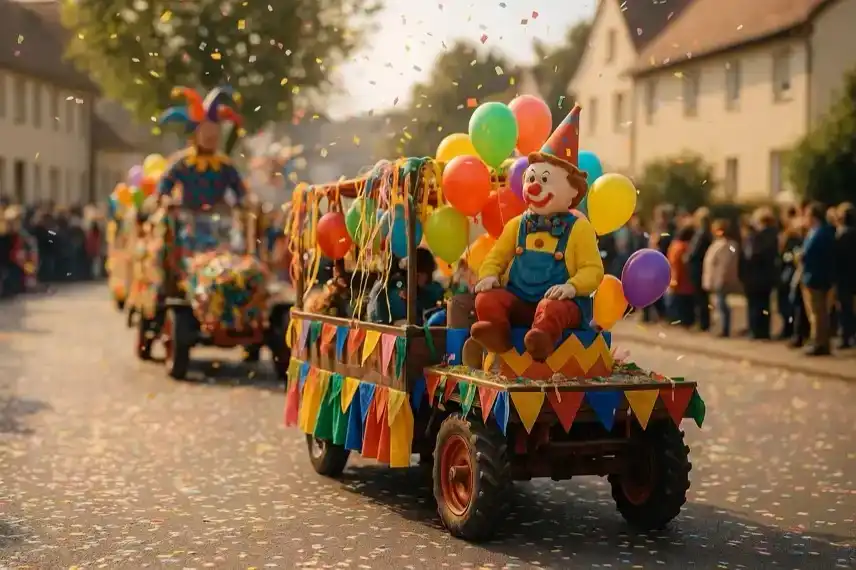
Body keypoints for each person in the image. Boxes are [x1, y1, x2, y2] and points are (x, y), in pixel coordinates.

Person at [470, 107, 604, 360]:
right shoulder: (517, 225)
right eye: (531, 178)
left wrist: (572, 287)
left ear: (572, 192)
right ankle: (497, 332)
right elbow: (495, 257)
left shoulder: (579, 227)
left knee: (550, 308)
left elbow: (593, 270)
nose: (534, 185)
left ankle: (542, 340)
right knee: (487, 300)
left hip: (561, 306)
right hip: (520, 301)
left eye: (544, 179)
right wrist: (488, 275)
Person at [157, 86, 247, 210]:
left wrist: (242, 201)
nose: (210, 136)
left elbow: (240, 189)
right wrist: (165, 197)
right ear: (196, 134)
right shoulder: (183, 162)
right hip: (188, 219)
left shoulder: (224, 165)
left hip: (219, 221)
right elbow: (165, 183)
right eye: (206, 131)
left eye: (214, 131)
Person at [368, 247, 445, 325]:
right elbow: (401, 321)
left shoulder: (422, 289)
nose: (430, 278)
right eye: (429, 273)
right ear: (418, 274)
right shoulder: (395, 288)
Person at [800, 201, 836, 355]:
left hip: (814, 277)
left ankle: (819, 343)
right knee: (820, 313)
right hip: (822, 276)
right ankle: (821, 341)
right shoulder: (826, 231)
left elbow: (808, 254)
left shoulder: (818, 233)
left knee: (816, 313)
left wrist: (798, 256)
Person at [741, 208, 778, 339]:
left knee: (755, 305)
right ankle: (764, 331)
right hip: (768, 275)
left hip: (755, 275)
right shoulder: (775, 235)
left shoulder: (757, 237)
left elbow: (751, 256)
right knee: (765, 305)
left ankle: (755, 331)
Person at [702, 219, 740, 337]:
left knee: (721, 304)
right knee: (717, 304)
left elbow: (725, 264)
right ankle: (720, 327)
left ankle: (725, 328)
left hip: (720, 279)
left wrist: (722, 278)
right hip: (714, 278)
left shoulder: (727, 245)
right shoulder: (718, 243)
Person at [644, 204, 675, 323]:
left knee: (660, 291)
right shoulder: (655, 230)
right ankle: (651, 315)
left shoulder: (668, 232)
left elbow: (665, 247)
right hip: (651, 263)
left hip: (662, 263)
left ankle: (663, 314)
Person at [776, 206, 802, 339]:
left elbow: (790, 254)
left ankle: (790, 329)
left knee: (789, 303)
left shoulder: (793, 234)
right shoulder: (785, 233)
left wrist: (786, 258)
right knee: (784, 302)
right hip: (785, 271)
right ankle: (787, 328)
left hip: (789, 272)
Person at [686, 207, 713, 331]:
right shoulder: (708, 233)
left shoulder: (701, 233)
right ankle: (704, 322)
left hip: (698, 267)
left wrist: (687, 257)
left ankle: (702, 323)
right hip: (703, 267)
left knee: (700, 296)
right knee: (703, 297)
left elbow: (694, 252)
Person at [834, 202, 856, 348]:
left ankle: (846, 336)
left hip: (843, 276)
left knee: (844, 307)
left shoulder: (841, 235)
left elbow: (836, 257)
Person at [667, 224, 696, 327]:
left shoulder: (674, 245)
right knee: (685, 303)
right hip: (684, 279)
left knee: (676, 301)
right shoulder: (685, 247)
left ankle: (675, 319)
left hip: (675, 277)